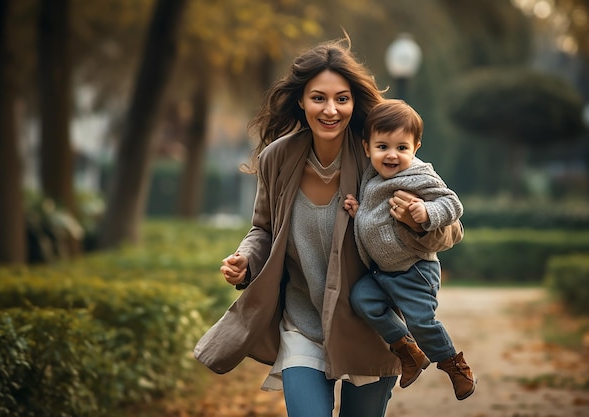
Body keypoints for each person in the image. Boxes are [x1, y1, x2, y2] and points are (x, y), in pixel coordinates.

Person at [193, 36, 464, 417]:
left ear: (354, 104)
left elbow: (449, 229)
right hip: (301, 324)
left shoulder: (379, 155)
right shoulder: (278, 158)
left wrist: (418, 221)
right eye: (318, 97)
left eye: (342, 98)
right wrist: (245, 260)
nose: (330, 109)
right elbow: (263, 230)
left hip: (367, 325)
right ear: (301, 100)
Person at [343, 99, 476, 401]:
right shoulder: (372, 176)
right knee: (361, 299)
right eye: (383, 147)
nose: (392, 155)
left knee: (422, 322)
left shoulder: (419, 176)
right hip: (383, 273)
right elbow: (379, 216)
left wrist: (427, 213)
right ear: (367, 147)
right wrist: (359, 212)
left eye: (401, 148)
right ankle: (408, 350)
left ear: (415, 147)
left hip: (415, 271)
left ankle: (454, 365)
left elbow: (453, 204)